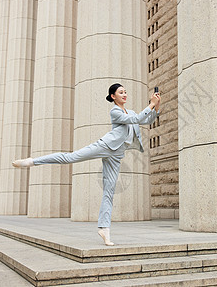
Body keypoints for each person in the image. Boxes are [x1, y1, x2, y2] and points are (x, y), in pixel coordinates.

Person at [12, 83, 161, 246]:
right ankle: (32, 161)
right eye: (121, 92)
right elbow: (136, 119)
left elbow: (147, 120)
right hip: (105, 146)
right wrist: (151, 104)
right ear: (113, 96)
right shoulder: (115, 111)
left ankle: (104, 229)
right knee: (71, 157)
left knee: (109, 192)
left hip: (117, 154)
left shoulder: (131, 112)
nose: (124, 95)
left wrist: (156, 105)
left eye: (125, 92)